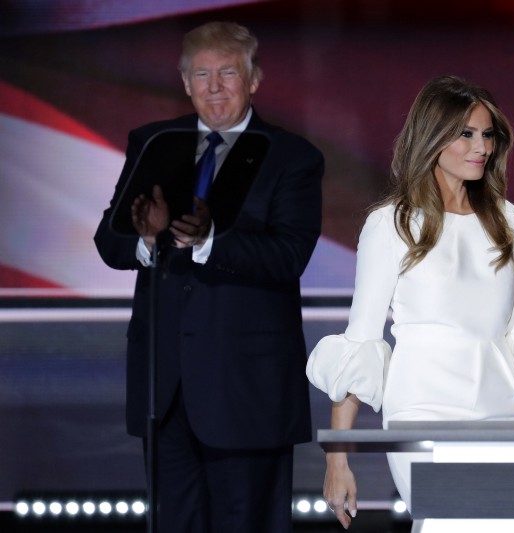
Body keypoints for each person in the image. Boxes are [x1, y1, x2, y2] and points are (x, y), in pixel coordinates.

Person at [306, 75, 514, 529]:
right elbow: (362, 343)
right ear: (432, 138)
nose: (482, 147)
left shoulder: (510, 222)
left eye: (487, 134)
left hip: (500, 411)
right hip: (422, 413)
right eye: (466, 134)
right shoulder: (391, 224)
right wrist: (337, 461)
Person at [94, 21, 323, 533]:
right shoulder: (154, 143)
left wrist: (208, 241)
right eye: (202, 74)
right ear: (185, 82)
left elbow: (288, 256)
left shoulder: (292, 156)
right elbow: (109, 243)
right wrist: (150, 240)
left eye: (228, 73)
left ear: (254, 79)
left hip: (248, 389)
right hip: (166, 390)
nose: (214, 86)